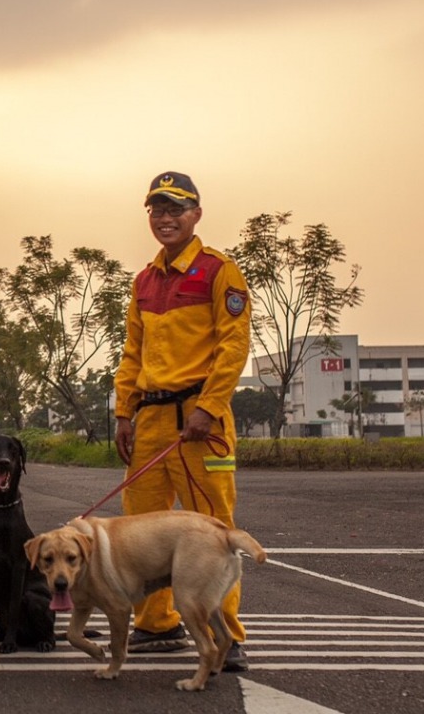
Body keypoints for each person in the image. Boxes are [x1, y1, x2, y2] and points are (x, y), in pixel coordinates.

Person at [112, 171, 253, 672]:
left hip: (199, 422)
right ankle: (156, 624)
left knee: (211, 532)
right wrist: (123, 412)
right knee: (139, 530)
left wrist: (209, 407)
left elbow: (234, 347)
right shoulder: (145, 281)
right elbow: (133, 353)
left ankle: (224, 635)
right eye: (157, 210)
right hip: (149, 420)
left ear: (196, 214)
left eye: (175, 209)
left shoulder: (219, 272)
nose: (165, 218)